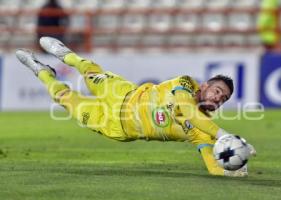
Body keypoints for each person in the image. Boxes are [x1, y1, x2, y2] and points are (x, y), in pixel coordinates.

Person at [16, 37, 256, 177]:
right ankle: (67, 55)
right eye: (217, 91)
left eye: (223, 99)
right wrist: (224, 135)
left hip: (116, 127)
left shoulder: (201, 128)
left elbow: (211, 162)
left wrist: (235, 166)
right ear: (204, 86)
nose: (218, 99)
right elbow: (188, 109)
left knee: (64, 99)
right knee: (90, 72)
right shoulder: (185, 83)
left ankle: (43, 73)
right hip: (122, 93)